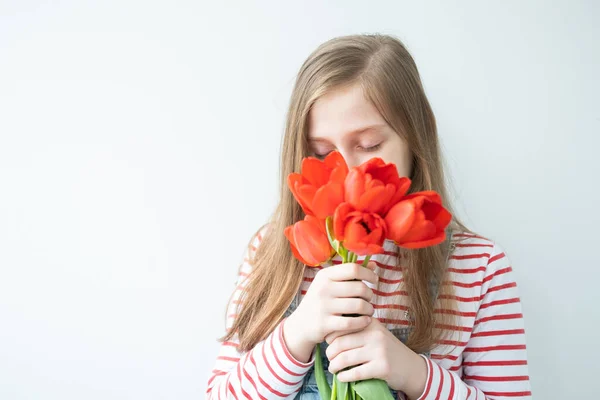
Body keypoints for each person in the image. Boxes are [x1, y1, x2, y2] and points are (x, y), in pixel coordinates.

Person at [206, 34, 531, 400]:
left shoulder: (479, 268)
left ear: (416, 137)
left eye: (369, 146)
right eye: (322, 151)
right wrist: (296, 335)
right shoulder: (274, 250)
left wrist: (415, 374)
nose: (348, 172)